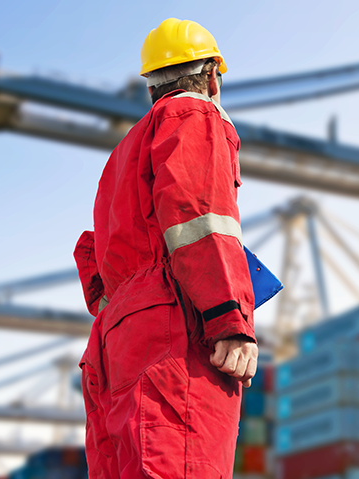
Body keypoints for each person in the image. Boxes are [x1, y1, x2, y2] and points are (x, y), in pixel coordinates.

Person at [74, 18, 258, 479]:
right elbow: (200, 216)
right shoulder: (194, 113)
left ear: (151, 86)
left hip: (115, 344)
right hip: (173, 331)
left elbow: (94, 263)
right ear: (213, 76)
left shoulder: (120, 157)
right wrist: (229, 319)